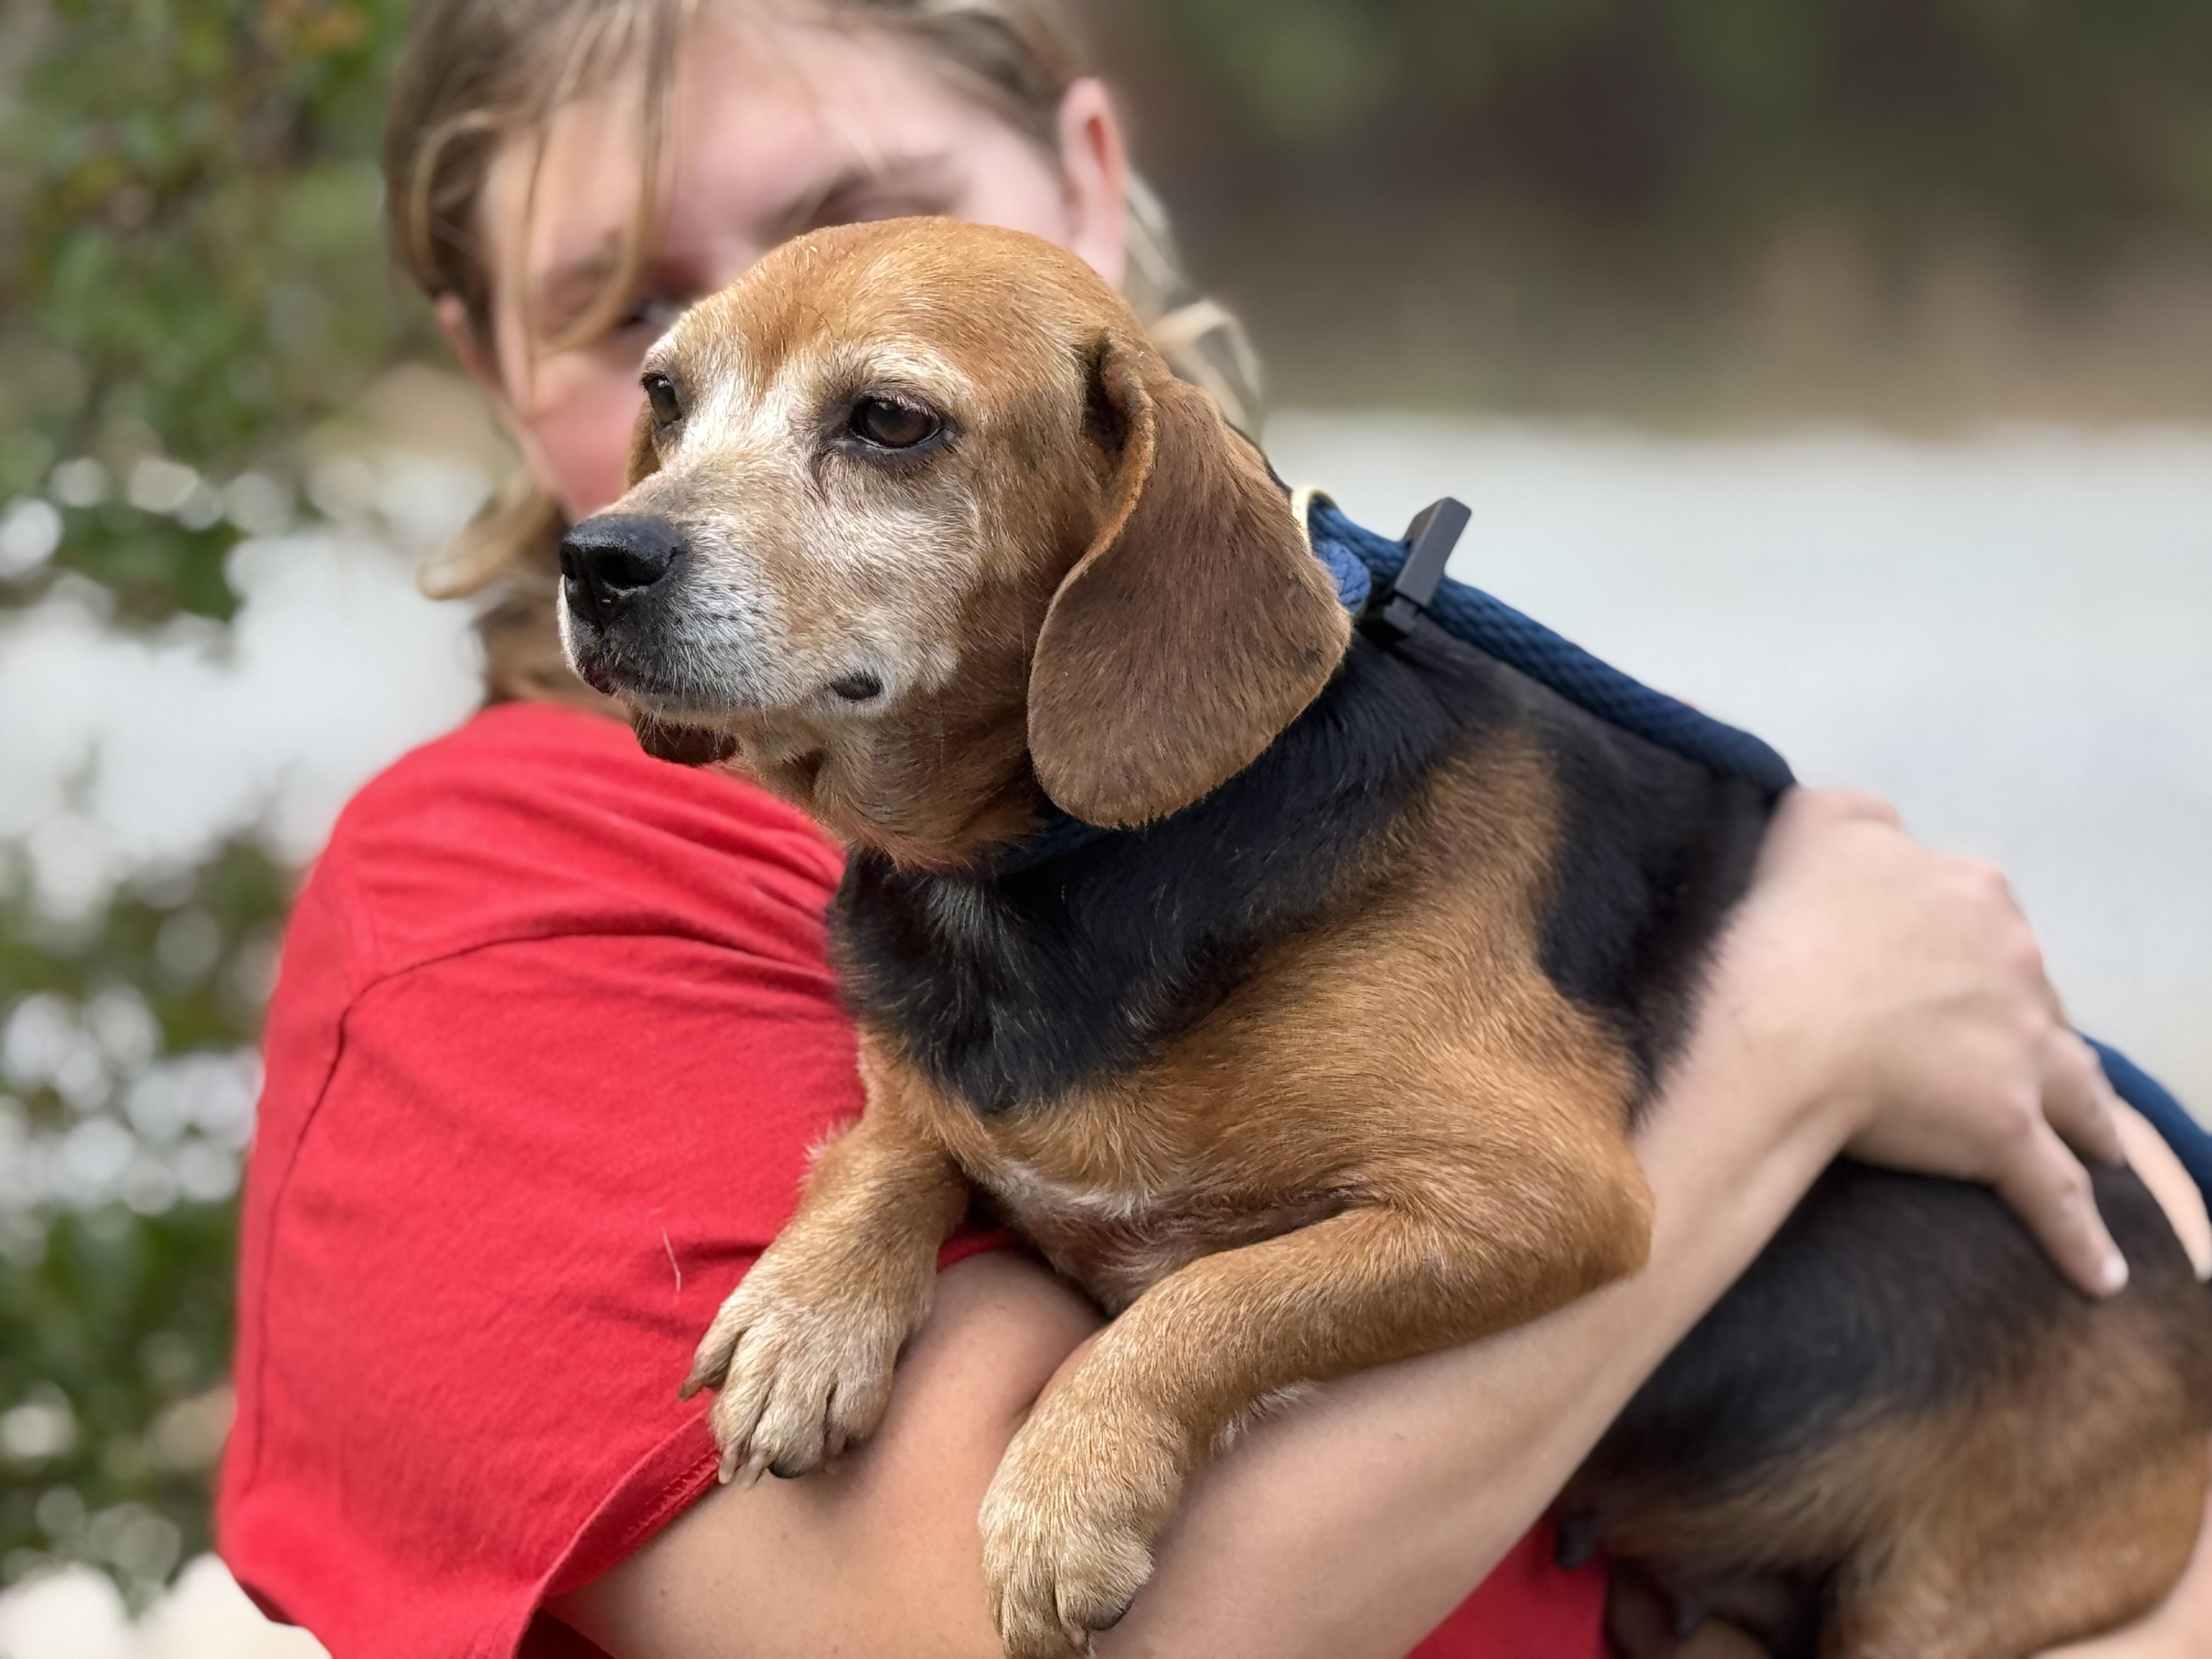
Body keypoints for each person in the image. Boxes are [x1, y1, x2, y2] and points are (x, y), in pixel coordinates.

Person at [215, 2, 2212, 1655]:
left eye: (884, 402)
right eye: (658, 354)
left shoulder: (1313, 741)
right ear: (493, 367)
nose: (673, 514)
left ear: (1091, 187)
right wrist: (1804, 1023)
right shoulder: (487, 918)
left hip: (1990, 1477)